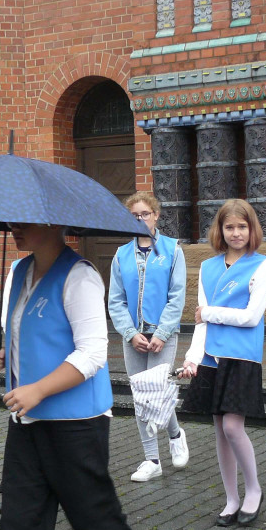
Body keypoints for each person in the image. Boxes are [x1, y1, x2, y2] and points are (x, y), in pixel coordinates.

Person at [0, 223, 165, 530]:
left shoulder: (80, 275)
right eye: (13, 223)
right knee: (20, 519)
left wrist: (38, 388)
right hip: (27, 420)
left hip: (76, 422)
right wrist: (0, 356)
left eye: (24, 224)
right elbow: (26, 335)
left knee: (91, 517)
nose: (15, 231)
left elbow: (92, 354)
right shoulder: (17, 272)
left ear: (54, 226)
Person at [179, 199, 266, 528]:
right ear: (220, 230)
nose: (236, 233)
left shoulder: (263, 265)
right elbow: (200, 321)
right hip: (210, 356)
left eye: (242, 227)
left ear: (252, 230)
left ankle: (254, 490)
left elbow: (250, 317)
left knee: (234, 427)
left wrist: (209, 313)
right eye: (229, 227)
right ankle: (231, 498)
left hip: (242, 355)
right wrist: (192, 357)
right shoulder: (207, 267)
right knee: (220, 430)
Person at [108, 192, 189, 482]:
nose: (140, 219)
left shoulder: (172, 250)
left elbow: (177, 296)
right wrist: (130, 334)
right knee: (141, 397)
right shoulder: (121, 255)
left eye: (145, 214)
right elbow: (115, 300)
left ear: (155, 215)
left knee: (158, 390)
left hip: (163, 334)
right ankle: (151, 459)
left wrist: (163, 332)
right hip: (134, 337)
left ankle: (175, 434)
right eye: (134, 216)